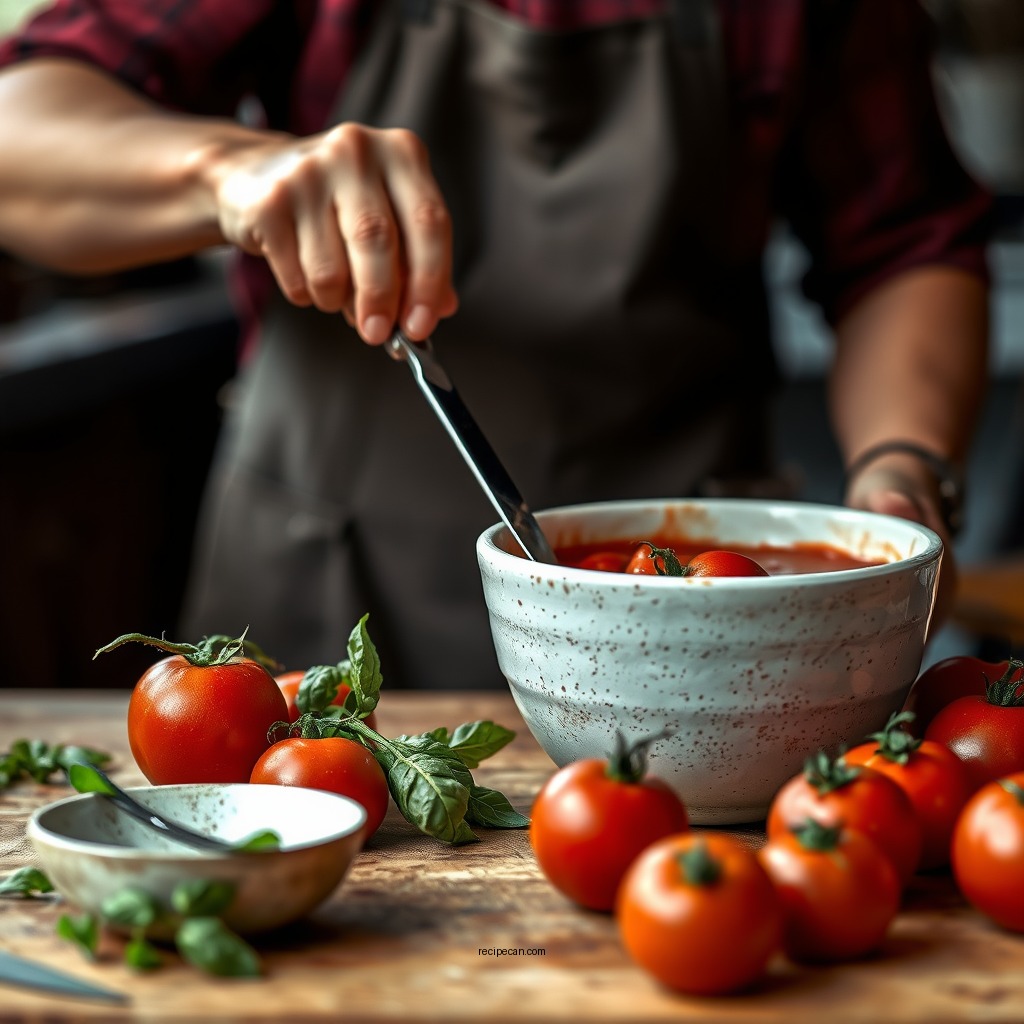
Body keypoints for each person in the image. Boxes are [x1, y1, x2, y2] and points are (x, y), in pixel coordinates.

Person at [0, 0, 992, 689]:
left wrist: (902, 465)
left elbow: (904, 241)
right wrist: (229, 173)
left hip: (697, 620)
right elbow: (22, 132)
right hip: (324, 580)